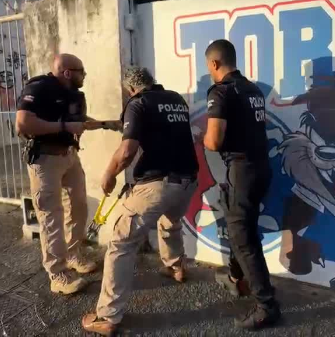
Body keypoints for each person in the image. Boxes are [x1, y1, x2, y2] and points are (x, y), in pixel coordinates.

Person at [82, 66, 199, 335]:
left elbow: (127, 151)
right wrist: (102, 124)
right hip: (187, 181)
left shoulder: (137, 104)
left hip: (158, 184)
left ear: (130, 89)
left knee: (121, 242)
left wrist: (109, 174)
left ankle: (108, 316)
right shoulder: (175, 99)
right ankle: (176, 267)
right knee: (170, 221)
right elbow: (148, 125)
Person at [16, 53, 120, 295]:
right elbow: (23, 123)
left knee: (78, 207)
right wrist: (64, 127)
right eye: (81, 71)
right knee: (51, 216)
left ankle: (73, 254)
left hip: (69, 156)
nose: (84, 75)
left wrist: (108, 124)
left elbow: (79, 121)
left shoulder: (72, 93)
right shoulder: (39, 87)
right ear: (67, 72)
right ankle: (58, 274)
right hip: (45, 160)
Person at [202, 39, 281, 330]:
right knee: (240, 227)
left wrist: (202, 138)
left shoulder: (220, 91)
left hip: (242, 170)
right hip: (261, 168)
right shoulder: (253, 89)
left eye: (209, 67)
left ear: (214, 63)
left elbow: (214, 141)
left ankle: (266, 306)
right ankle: (237, 277)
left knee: (244, 237)